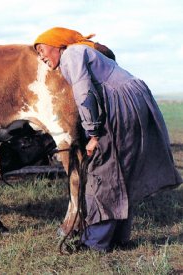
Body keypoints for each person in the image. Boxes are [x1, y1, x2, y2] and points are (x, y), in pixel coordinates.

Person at [33, 27, 182, 252]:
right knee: (122, 170)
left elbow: (84, 92)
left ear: (58, 44)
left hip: (120, 105)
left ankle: (95, 243)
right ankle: (119, 237)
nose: (41, 56)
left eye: (42, 49)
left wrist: (93, 134)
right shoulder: (81, 52)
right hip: (133, 101)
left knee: (103, 171)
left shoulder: (72, 54)